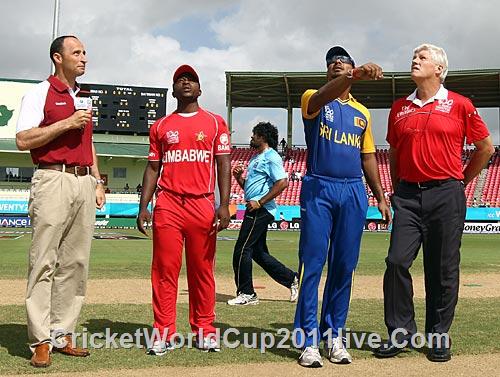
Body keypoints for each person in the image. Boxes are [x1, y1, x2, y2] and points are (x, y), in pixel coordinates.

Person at [373, 44, 494, 362]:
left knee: (443, 269)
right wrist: (397, 190)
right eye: (414, 57)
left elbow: (485, 148)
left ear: (439, 69)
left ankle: (438, 335)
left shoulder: (460, 105)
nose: (415, 61)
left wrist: (461, 182)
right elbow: (395, 153)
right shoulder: (399, 107)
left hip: (446, 195)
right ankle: (400, 333)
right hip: (408, 196)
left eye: (422, 58)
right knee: (396, 261)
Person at [293, 46, 391, 368]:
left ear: (350, 67)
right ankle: (306, 340)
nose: (337, 62)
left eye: (343, 60)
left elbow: (367, 157)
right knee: (313, 264)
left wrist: (379, 195)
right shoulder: (313, 98)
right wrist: (354, 74)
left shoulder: (362, 114)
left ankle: (334, 335)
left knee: (344, 266)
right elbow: (323, 96)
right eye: (332, 62)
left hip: (353, 191)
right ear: (327, 72)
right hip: (319, 187)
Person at [15, 35, 106, 368]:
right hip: (52, 177)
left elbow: (88, 141)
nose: (84, 57)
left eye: (85, 52)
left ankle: (62, 333)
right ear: (58, 58)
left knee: (76, 263)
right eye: (77, 52)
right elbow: (23, 139)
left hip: (83, 181)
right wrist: (65, 123)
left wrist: (97, 181)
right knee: (44, 261)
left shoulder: (84, 96)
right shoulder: (40, 93)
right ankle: (40, 339)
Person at [137, 64, 231, 355]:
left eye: (191, 79)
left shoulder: (215, 123)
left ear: (200, 89)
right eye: (180, 79)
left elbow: (224, 164)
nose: (186, 82)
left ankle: (204, 330)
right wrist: (144, 207)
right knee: (165, 270)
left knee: (202, 271)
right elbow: (153, 168)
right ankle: (163, 332)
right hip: (168, 204)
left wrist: (224, 204)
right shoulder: (162, 127)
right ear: (174, 90)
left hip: (202, 203)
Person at [227, 122, 298, 306]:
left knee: (241, 250)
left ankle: (247, 293)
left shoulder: (271, 157)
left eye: (254, 135)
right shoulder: (256, 158)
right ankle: (292, 279)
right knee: (258, 252)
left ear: (263, 137)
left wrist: (260, 202)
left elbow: (283, 182)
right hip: (255, 207)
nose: (252, 138)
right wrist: (239, 179)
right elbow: (250, 190)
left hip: (261, 209)